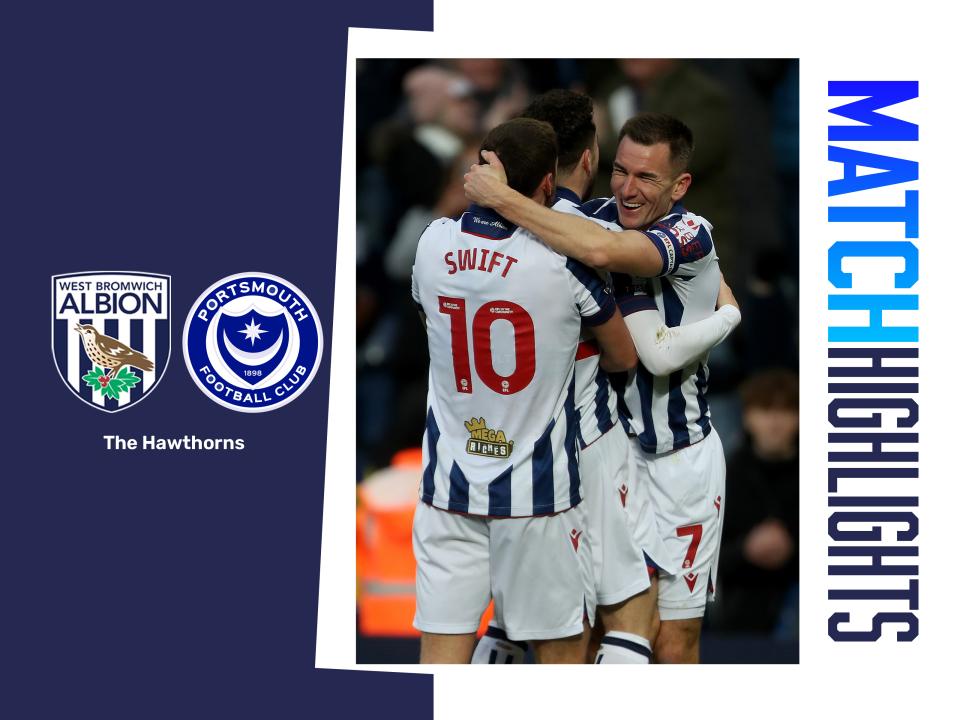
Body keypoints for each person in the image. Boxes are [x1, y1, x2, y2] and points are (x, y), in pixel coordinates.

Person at [471, 91, 740, 665]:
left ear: (680, 186)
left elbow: (601, 251)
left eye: (647, 176)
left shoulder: (693, 234)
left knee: (673, 639)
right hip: (603, 458)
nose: (627, 188)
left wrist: (498, 196)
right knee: (591, 625)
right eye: (619, 169)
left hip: (678, 460)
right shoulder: (589, 217)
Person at [412, 117, 637, 664]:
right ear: (546, 188)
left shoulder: (432, 242)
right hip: (536, 495)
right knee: (558, 660)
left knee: (440, 658)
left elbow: (429, 313)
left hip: (448, 488)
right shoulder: (563, 264)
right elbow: (623, 356)